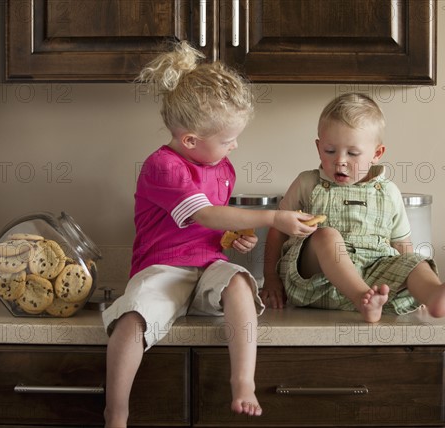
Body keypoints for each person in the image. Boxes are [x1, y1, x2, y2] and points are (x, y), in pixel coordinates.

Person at [102, 41, 317, 428]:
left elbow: (211, 226)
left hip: (208, 267)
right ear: (190, 140)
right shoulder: (163, 167)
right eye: (227, 139)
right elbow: (203, 212)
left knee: (238, 282)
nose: (235, 145)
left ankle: (242, 382)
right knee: (133, 318)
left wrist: (234, 239)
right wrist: (273, 218)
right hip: (163, 269)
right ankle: (116, 411)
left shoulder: (222, 167)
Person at [260, 93, 445, 323]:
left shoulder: (388, 192)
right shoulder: (307, 183)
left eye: (352, 153)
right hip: (316, 281)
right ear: (318, 147)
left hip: (373, 280)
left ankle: (433, 294)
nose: (340, 160)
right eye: (330, 151)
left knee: (414, 260)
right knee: (326, 235)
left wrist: (413, 288)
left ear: (376, 154)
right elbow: (277, 228)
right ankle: (362, 299)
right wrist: (270, 277)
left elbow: (402, 245)